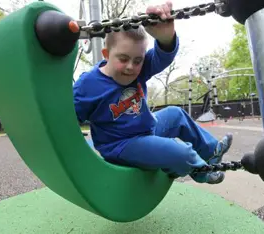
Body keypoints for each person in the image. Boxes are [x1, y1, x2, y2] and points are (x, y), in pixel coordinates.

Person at [73, 1, 233, 184]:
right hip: (121, 146)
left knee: (175, 114)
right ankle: (200, 171)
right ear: (106, 54)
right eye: (123, 59)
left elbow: (162, 56)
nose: (131, 67)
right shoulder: (88, 84)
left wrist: (166, 37)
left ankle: (211, 152)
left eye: (138, 60)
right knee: (179, 152)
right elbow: (69, 118)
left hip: (146, 131)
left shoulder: (139, 69)